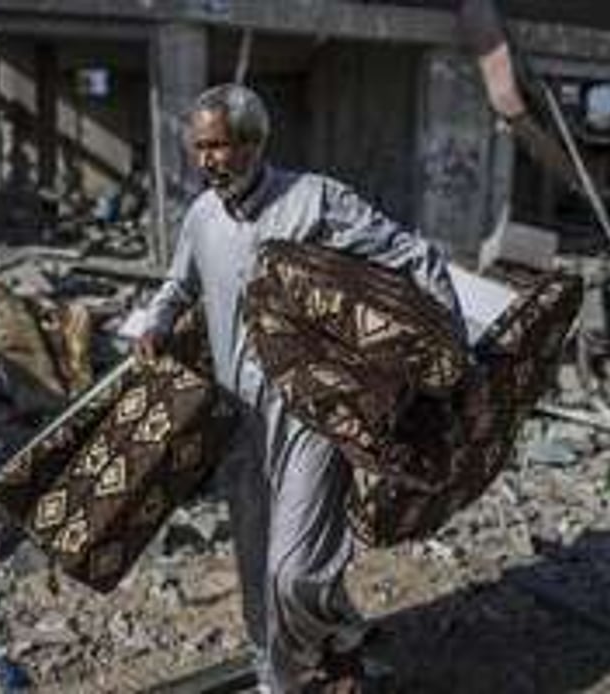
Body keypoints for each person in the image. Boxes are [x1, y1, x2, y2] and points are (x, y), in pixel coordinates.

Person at [135, 84, 463, 692]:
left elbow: (411, 256)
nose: (208, 160)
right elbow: (177, 286)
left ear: (255, 143)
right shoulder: (203, 216)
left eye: (220, 146)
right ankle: (315, 645)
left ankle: (287, 681)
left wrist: (447, 346)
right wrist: (154, 323)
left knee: (292, 570)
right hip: (240, 419)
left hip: (312, 414)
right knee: (257, 561)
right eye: (199, 147)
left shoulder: (314, 200)